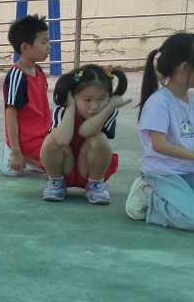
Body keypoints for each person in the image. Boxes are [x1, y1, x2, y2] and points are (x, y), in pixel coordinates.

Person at [126, 32, 194, 229]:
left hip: (191, 172)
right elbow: (159, 145)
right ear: (185, 67)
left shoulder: (193, 101)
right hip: (165, 174)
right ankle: (147, 195)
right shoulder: (160, 102)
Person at [39, 64, 128, 204]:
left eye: (102, 99)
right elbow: (62, 140)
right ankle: (56, 183)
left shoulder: (109, 111)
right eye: (87, 100)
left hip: (90, 168)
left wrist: (110, 106)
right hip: (64, 167)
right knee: (52, 140)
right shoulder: (61, 110)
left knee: (98, 139)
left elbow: (85, 131)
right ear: (73, 96)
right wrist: (70, 107)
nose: (95, 106)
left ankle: (95, 185)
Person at [1, 14, 51, 176]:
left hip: (46, 134)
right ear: (25, 47)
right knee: (63, 164)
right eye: (44, 42)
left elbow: (41, 109)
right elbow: (11, 115)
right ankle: (13, 151)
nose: (49, 47)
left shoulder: (39, 71)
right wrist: (16, 152)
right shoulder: (17, 76)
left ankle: (38, 159)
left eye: (48, 41)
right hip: (29, 141)